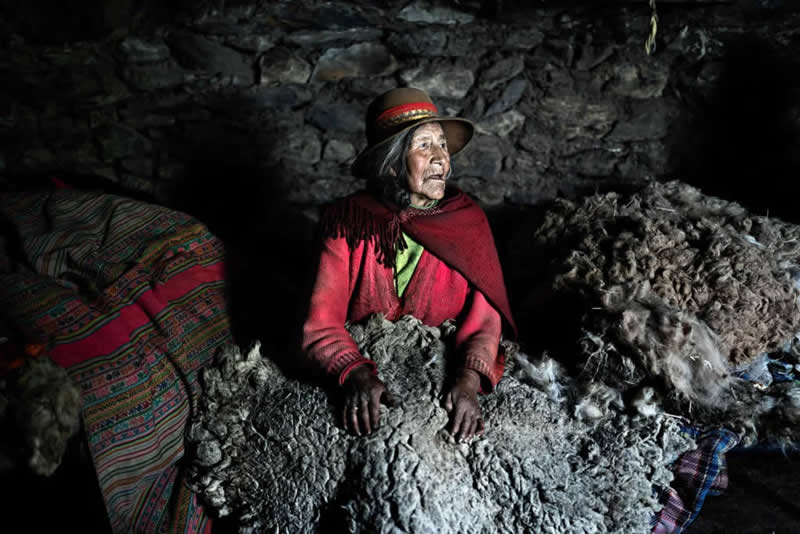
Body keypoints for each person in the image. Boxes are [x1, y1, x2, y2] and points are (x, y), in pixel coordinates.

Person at [302, 87, 516, 442]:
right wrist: (356, 373)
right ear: (390, 162)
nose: (440, 159)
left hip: (439, 369)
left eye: (443, 145)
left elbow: (484, 322)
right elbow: (321, 324)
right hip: (367, 360)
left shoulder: (467, 225)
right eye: (424, 146)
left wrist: (467, 380)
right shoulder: (348, 222)